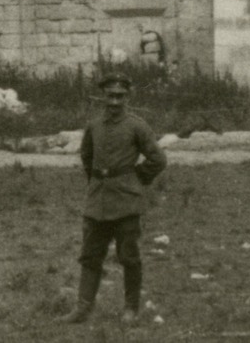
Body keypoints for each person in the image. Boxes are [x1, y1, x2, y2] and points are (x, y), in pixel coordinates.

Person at [68, 73, 167, 325]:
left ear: (127, 97)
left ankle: (131, 309)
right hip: (97, 202)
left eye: (119, 96)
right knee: (90, 255)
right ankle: (83, 308)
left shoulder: (137, 126)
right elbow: (86, 156)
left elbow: (158, 159)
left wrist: (135, 180)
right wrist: (96, 182)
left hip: (126, 202)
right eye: (110, 96)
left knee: (129, 257)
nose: (114, 102)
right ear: (103, 96)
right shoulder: (94, 125)